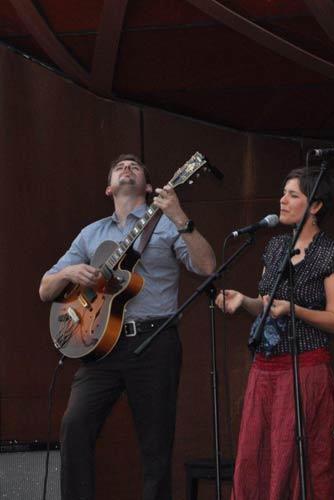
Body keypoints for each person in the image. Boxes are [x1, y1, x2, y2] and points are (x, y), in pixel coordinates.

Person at [39, 153, 216, 500]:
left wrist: (179, 215)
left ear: (149, 186)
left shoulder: (165, 223)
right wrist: (69, 273)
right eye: (119, 166)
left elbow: (207, 265)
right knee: (73, 426)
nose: (127, 167)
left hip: (153, 341)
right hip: (98, 343)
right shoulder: (91, 234)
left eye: (135, 166)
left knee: (155, 445)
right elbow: (45, 289)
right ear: (109, 188)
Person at [216, 167, 334, 500]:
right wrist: (245, 302)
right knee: (259, 458)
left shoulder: (333, 254)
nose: (282, 201)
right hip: (265, 370)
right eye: (283, 193)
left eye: (293, 195)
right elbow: (269, 306)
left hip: (305, 370)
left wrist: (294, 309)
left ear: (315, 206)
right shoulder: (274, 248)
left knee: (307, 462)